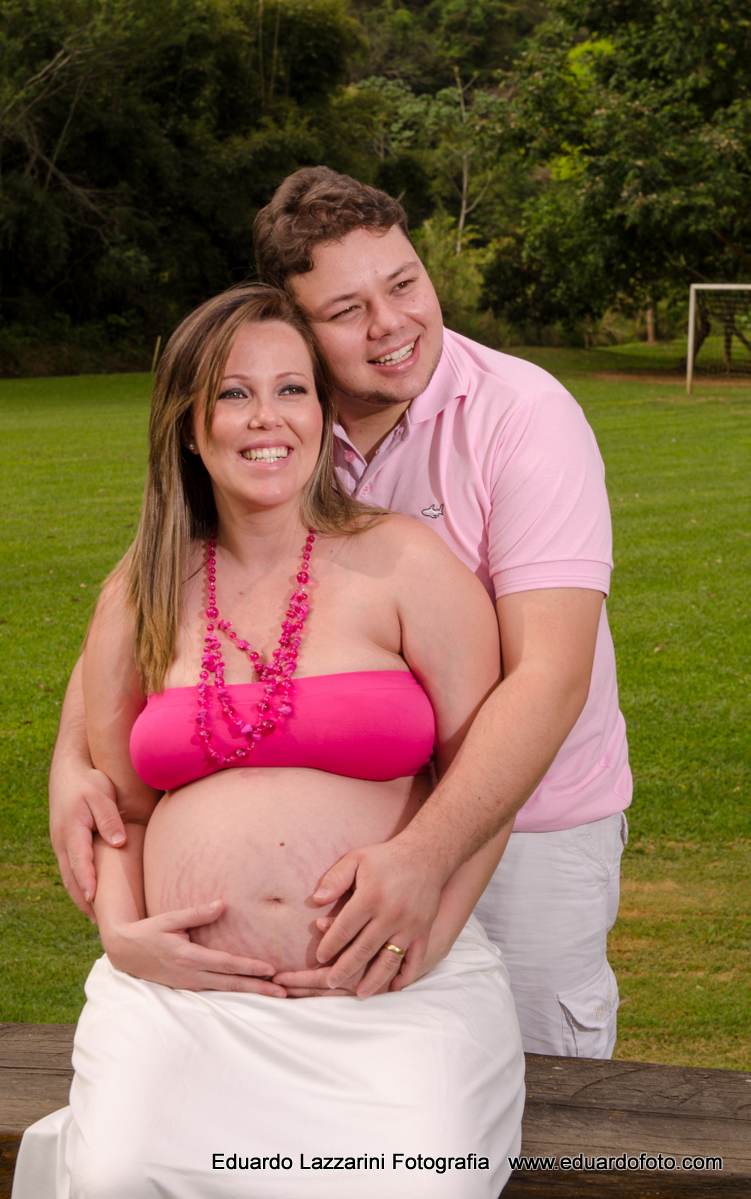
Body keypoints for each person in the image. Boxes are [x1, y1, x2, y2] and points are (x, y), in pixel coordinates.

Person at [49, 168, 631, 1058]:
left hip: (532, 819)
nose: (392, 325)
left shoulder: (523, 418)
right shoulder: (281, 431)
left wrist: (425, 859)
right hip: (264, 961)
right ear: (299, 339)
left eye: (403, 284)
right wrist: (69, 765)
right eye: (347, 310)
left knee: (545, 1096)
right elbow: (145, 614)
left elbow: (549, 678)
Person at [12, 284, 524, 1199]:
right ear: (186, 423)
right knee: (118, 1175)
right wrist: (125, 938)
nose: (267, 418)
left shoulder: (405, 561)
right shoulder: (141, 590)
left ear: (322, 415)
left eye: (292, 390)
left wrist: (431, 938)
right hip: (184, 1003)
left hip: (387, 993)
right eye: (234, 393)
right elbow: (121, 804)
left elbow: (483, 782)